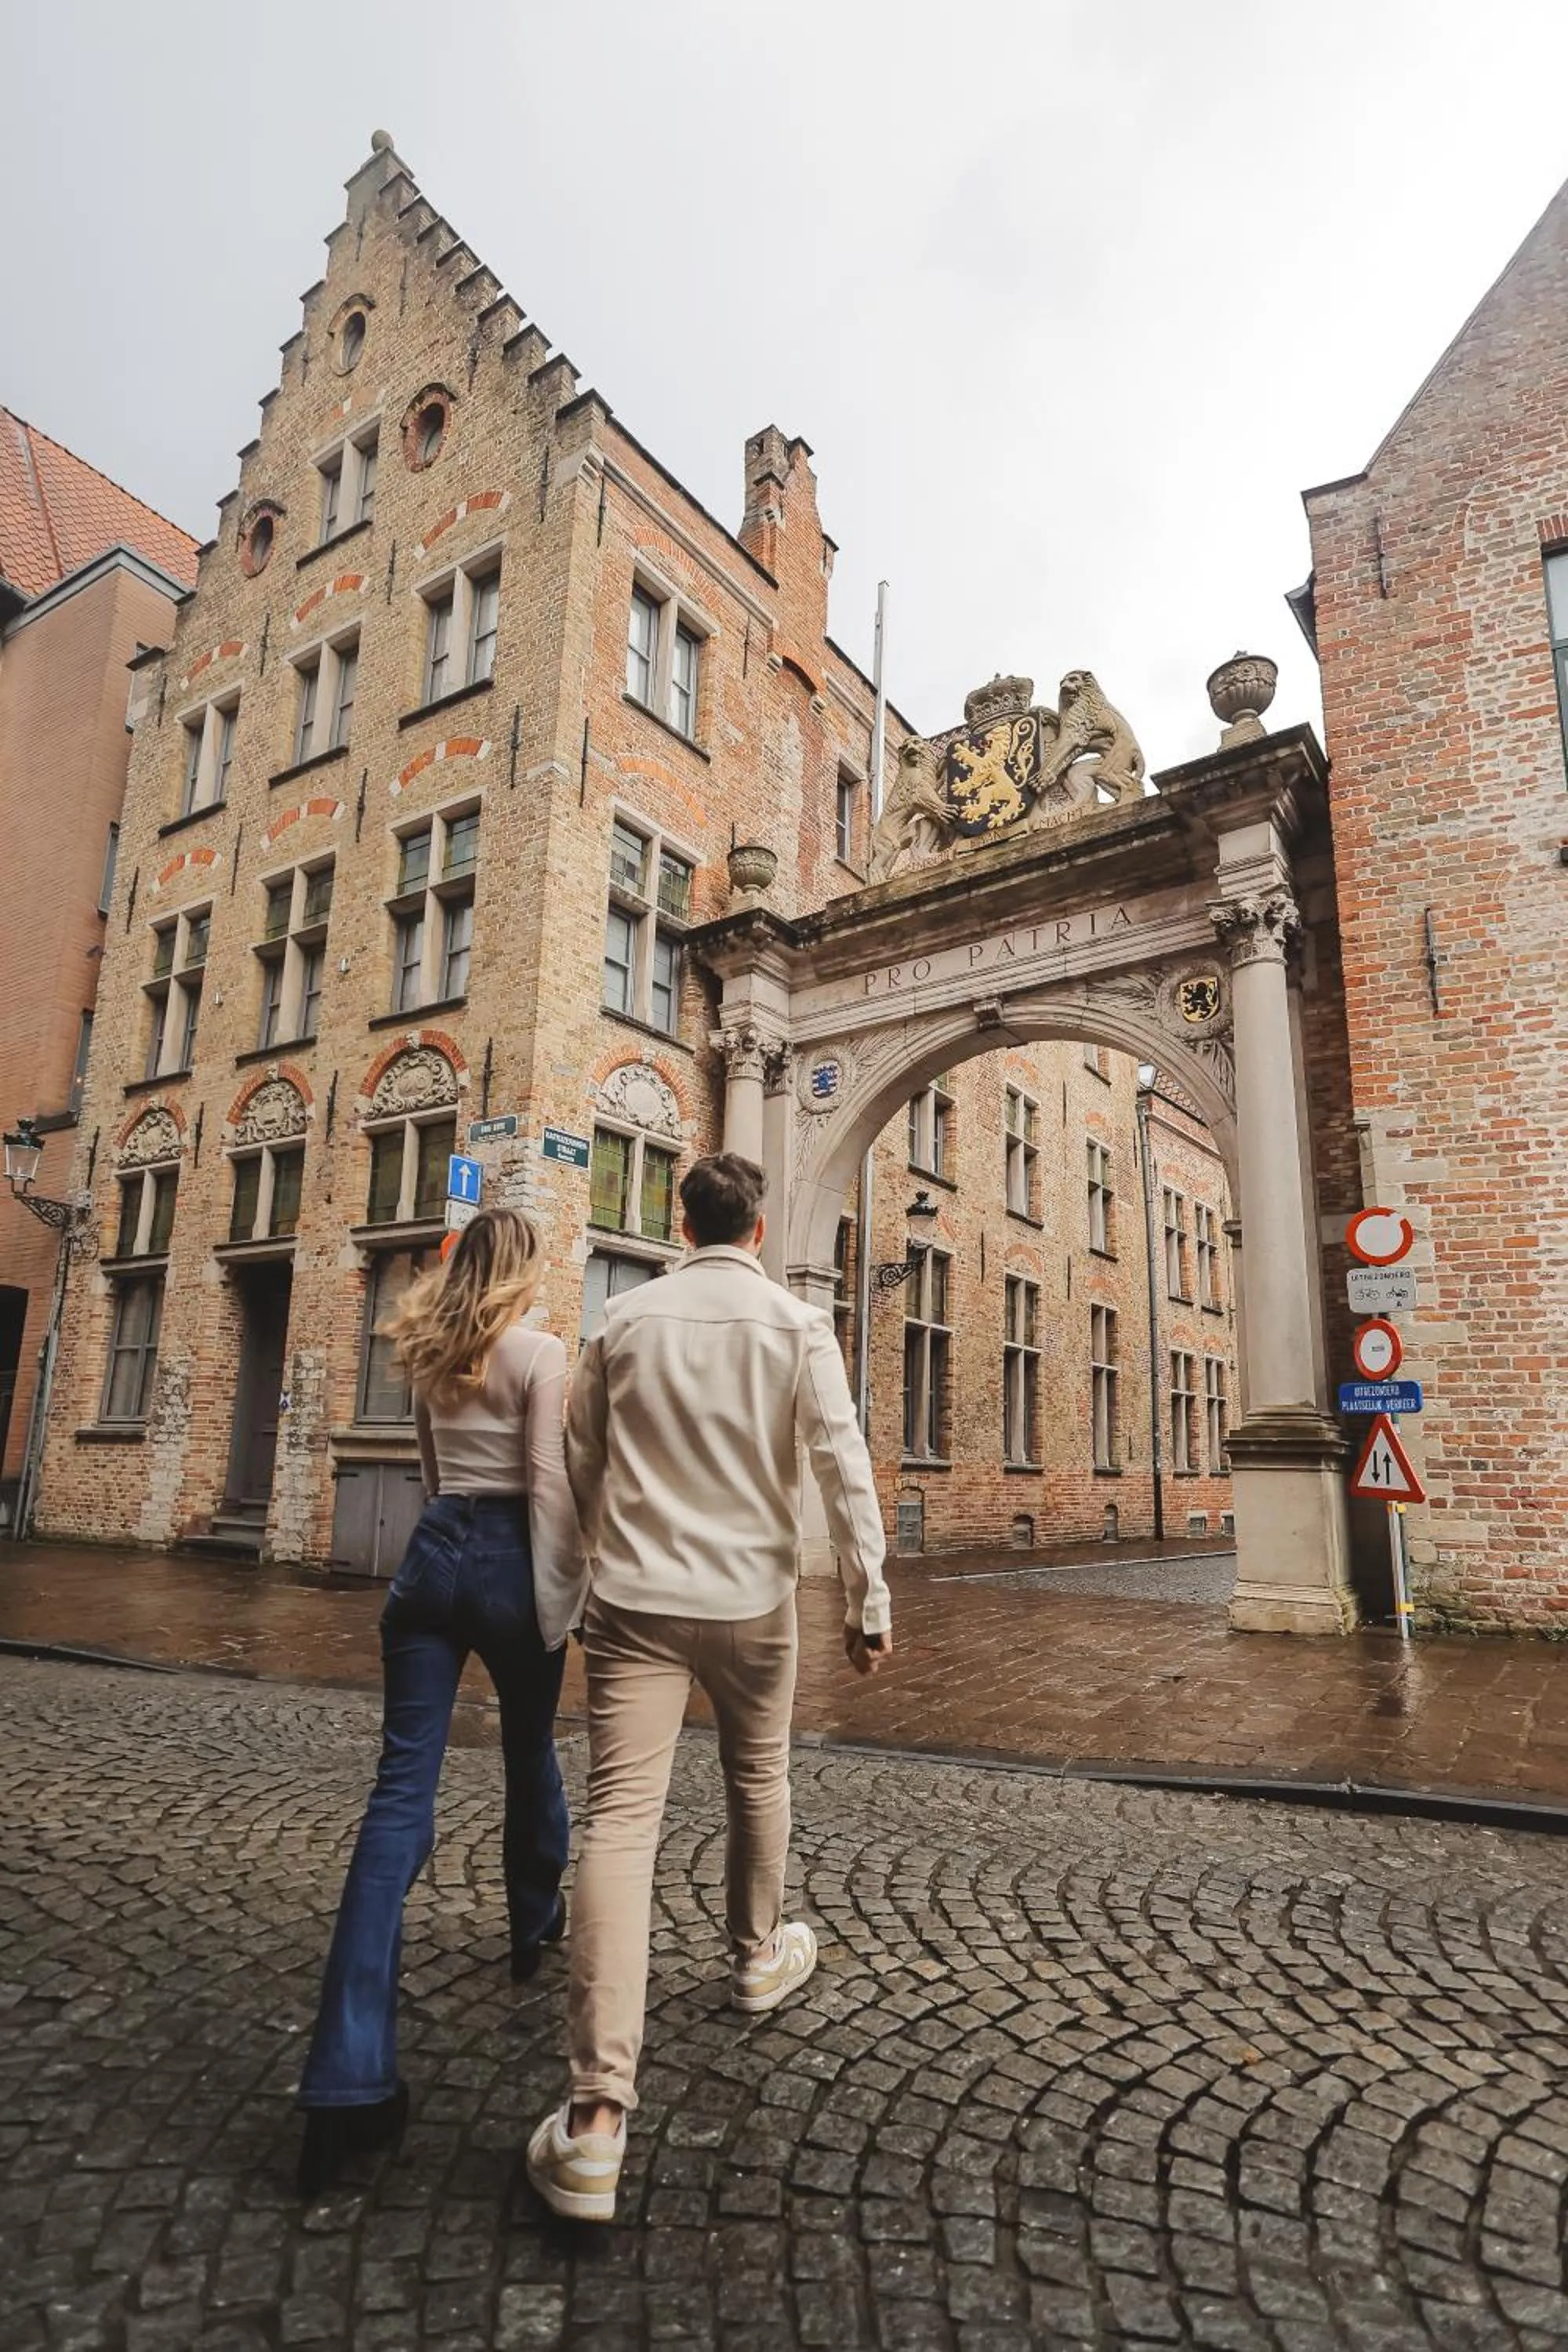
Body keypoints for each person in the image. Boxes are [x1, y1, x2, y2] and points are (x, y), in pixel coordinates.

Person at [527, 1152, 891, 2222]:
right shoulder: (795, 1324)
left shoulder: (623, 1323)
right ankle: (755, 1957)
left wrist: (573, 1586)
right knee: (756, 1780)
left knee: (621, 1824)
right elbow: (841, 1458)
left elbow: (580, 1467)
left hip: (634, 1598)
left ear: (681, 1225)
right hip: (750, 1602)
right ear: (761, 1231)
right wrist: (868, 1598)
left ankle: (595, 2118)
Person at [296, 1207, 585, 2201]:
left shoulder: (425, 1350)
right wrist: (560, 1599)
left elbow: (427, 1471)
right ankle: (531, 1915)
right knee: (527, 1749)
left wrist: (448, 1542)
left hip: (433, 1553)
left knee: (398, 1794)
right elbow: (549, 1485)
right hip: (512, 1555)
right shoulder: (542, 1353)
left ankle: (346, 2074)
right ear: (524, 1271)